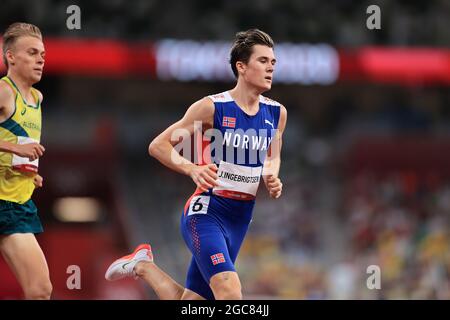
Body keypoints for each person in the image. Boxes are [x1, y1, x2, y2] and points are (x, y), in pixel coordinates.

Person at [105, 28, 287, 300]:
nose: (270, 67)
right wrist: (192, 168)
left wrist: (271, 174)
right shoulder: (212, 107)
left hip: (240, 218)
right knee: (229, 293)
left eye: (273, 62)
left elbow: (273, 155)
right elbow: (158, 146)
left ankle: (143, 265)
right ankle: (143, 265)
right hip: (207, 212)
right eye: (262, 61)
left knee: (193, 303)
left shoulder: (276, 113)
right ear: (241, 66)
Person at [0, 22, 52, 299]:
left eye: (42, 54)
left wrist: (28, 171)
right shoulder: (3, 91)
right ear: (11, 56)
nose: (40, 59)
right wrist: (14, 149)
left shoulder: (37, 98)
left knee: (41, 290)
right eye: (32, 53)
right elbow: (13, 145)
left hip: (15, 205)